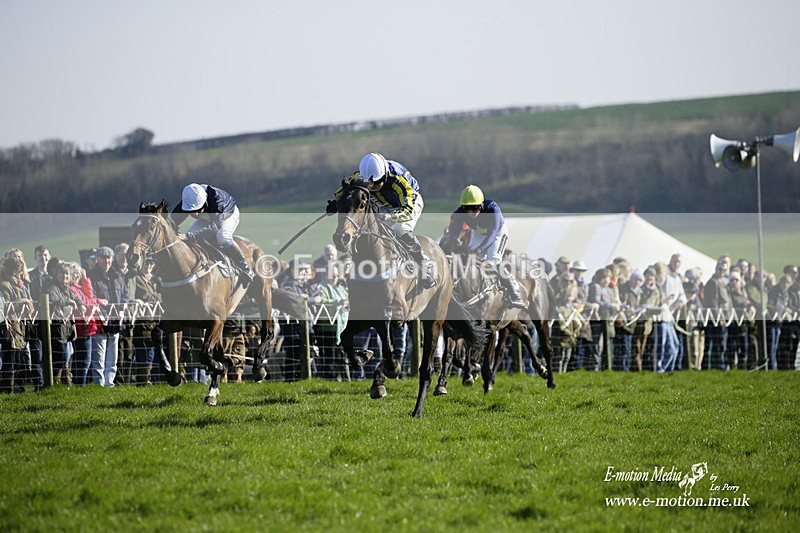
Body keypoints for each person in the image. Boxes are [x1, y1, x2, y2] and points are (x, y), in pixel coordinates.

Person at [327, 153, 436, 289]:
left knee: (399, 229)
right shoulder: (362, 176)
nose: (372, 187)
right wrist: (335, 202)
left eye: (376, 183)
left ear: (384, 176)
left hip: (408, 204)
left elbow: (409, 209)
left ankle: (424, 268)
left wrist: (391, 217)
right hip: (382, 204)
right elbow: (345, 190)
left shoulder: (398, 179)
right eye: (369, 184)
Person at [440, 185, 525, 308]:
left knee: (492, 262)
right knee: (468, 262)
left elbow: (492, 234)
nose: (470, 213)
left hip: (497, 233)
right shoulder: (460, 212)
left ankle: (515, 293)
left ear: (481, 205)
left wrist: (478, 250)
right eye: (467, 209)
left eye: (474, 208)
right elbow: (453, 235)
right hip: (478, 233)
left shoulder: (493, 209)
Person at [171, 182, 255, 287]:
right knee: (189, 239)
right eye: (192, 211)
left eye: (198, 209)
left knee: (222, 237)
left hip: (227, 214)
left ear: (204, 200)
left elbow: (215, 227)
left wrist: (189, 236)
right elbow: (172, 221)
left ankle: (245, 268)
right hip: (209, 217)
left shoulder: (217, 200)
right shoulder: (189, 199)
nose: (196, 214)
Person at [88, 246, 129, 386]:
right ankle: (99, 383)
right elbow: (91, 296)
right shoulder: (92, 276)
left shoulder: (118, 275)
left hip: (115, 320)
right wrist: (101, 314)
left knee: (113, 355)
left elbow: (125, 295)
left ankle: (109, 382)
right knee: (99, 355)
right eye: (103, 257)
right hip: (100, 321)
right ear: (98, 259)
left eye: (109, 257)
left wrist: (122, 310)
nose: (107, 260)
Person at [66, 261, 105, 386]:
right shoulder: (71, 288)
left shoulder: (78, 287)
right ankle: (79, 385)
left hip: (87, 327)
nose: (77, 276)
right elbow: (88, 301)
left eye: (78, 273)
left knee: (84, 359)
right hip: (81, 327)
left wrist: (85, 279)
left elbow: (89, 295)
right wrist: (98, 301)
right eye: (74, 273)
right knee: (83, 360)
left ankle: (80, 385)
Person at [45, 260, 83, 385]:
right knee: (59, 355)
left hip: (66, 327)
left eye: (67, 274)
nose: (64, 276)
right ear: (56, 274)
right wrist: (68, 301)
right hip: (56, 327)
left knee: (67, 355)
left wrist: (80, 305)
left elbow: (77, 299)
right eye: (62, 273)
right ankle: (55, 381)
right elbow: (53, 298)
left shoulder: (67, 288)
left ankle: (65, 381)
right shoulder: (52, 286)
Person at [133, 258, 161, 385]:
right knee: (143, 351)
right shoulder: (137, 278)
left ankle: (149, 378)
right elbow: (145, 295)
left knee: (151, 350)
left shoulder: (155, 280)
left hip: (154, 320)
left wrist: (156, 297)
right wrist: (155, 297)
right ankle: (142, 380)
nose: (148, 265)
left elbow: (161, 296)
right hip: (142, 320)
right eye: (146, 263)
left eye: (151, 263)